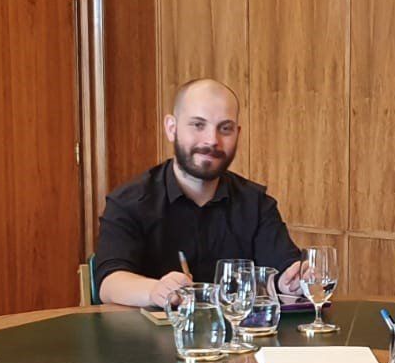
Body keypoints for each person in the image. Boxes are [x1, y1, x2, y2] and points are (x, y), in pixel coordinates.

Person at [93, 78, 306, 307]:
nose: (211, 140)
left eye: (225, 128)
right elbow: (109, 282)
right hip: (150, 339)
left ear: (238, 133)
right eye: (198, 125)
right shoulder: (129, 201)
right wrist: (155, 291)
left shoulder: (257, 204)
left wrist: (290, 282)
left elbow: (283, 273)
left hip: (238, 339)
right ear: (171, 128)